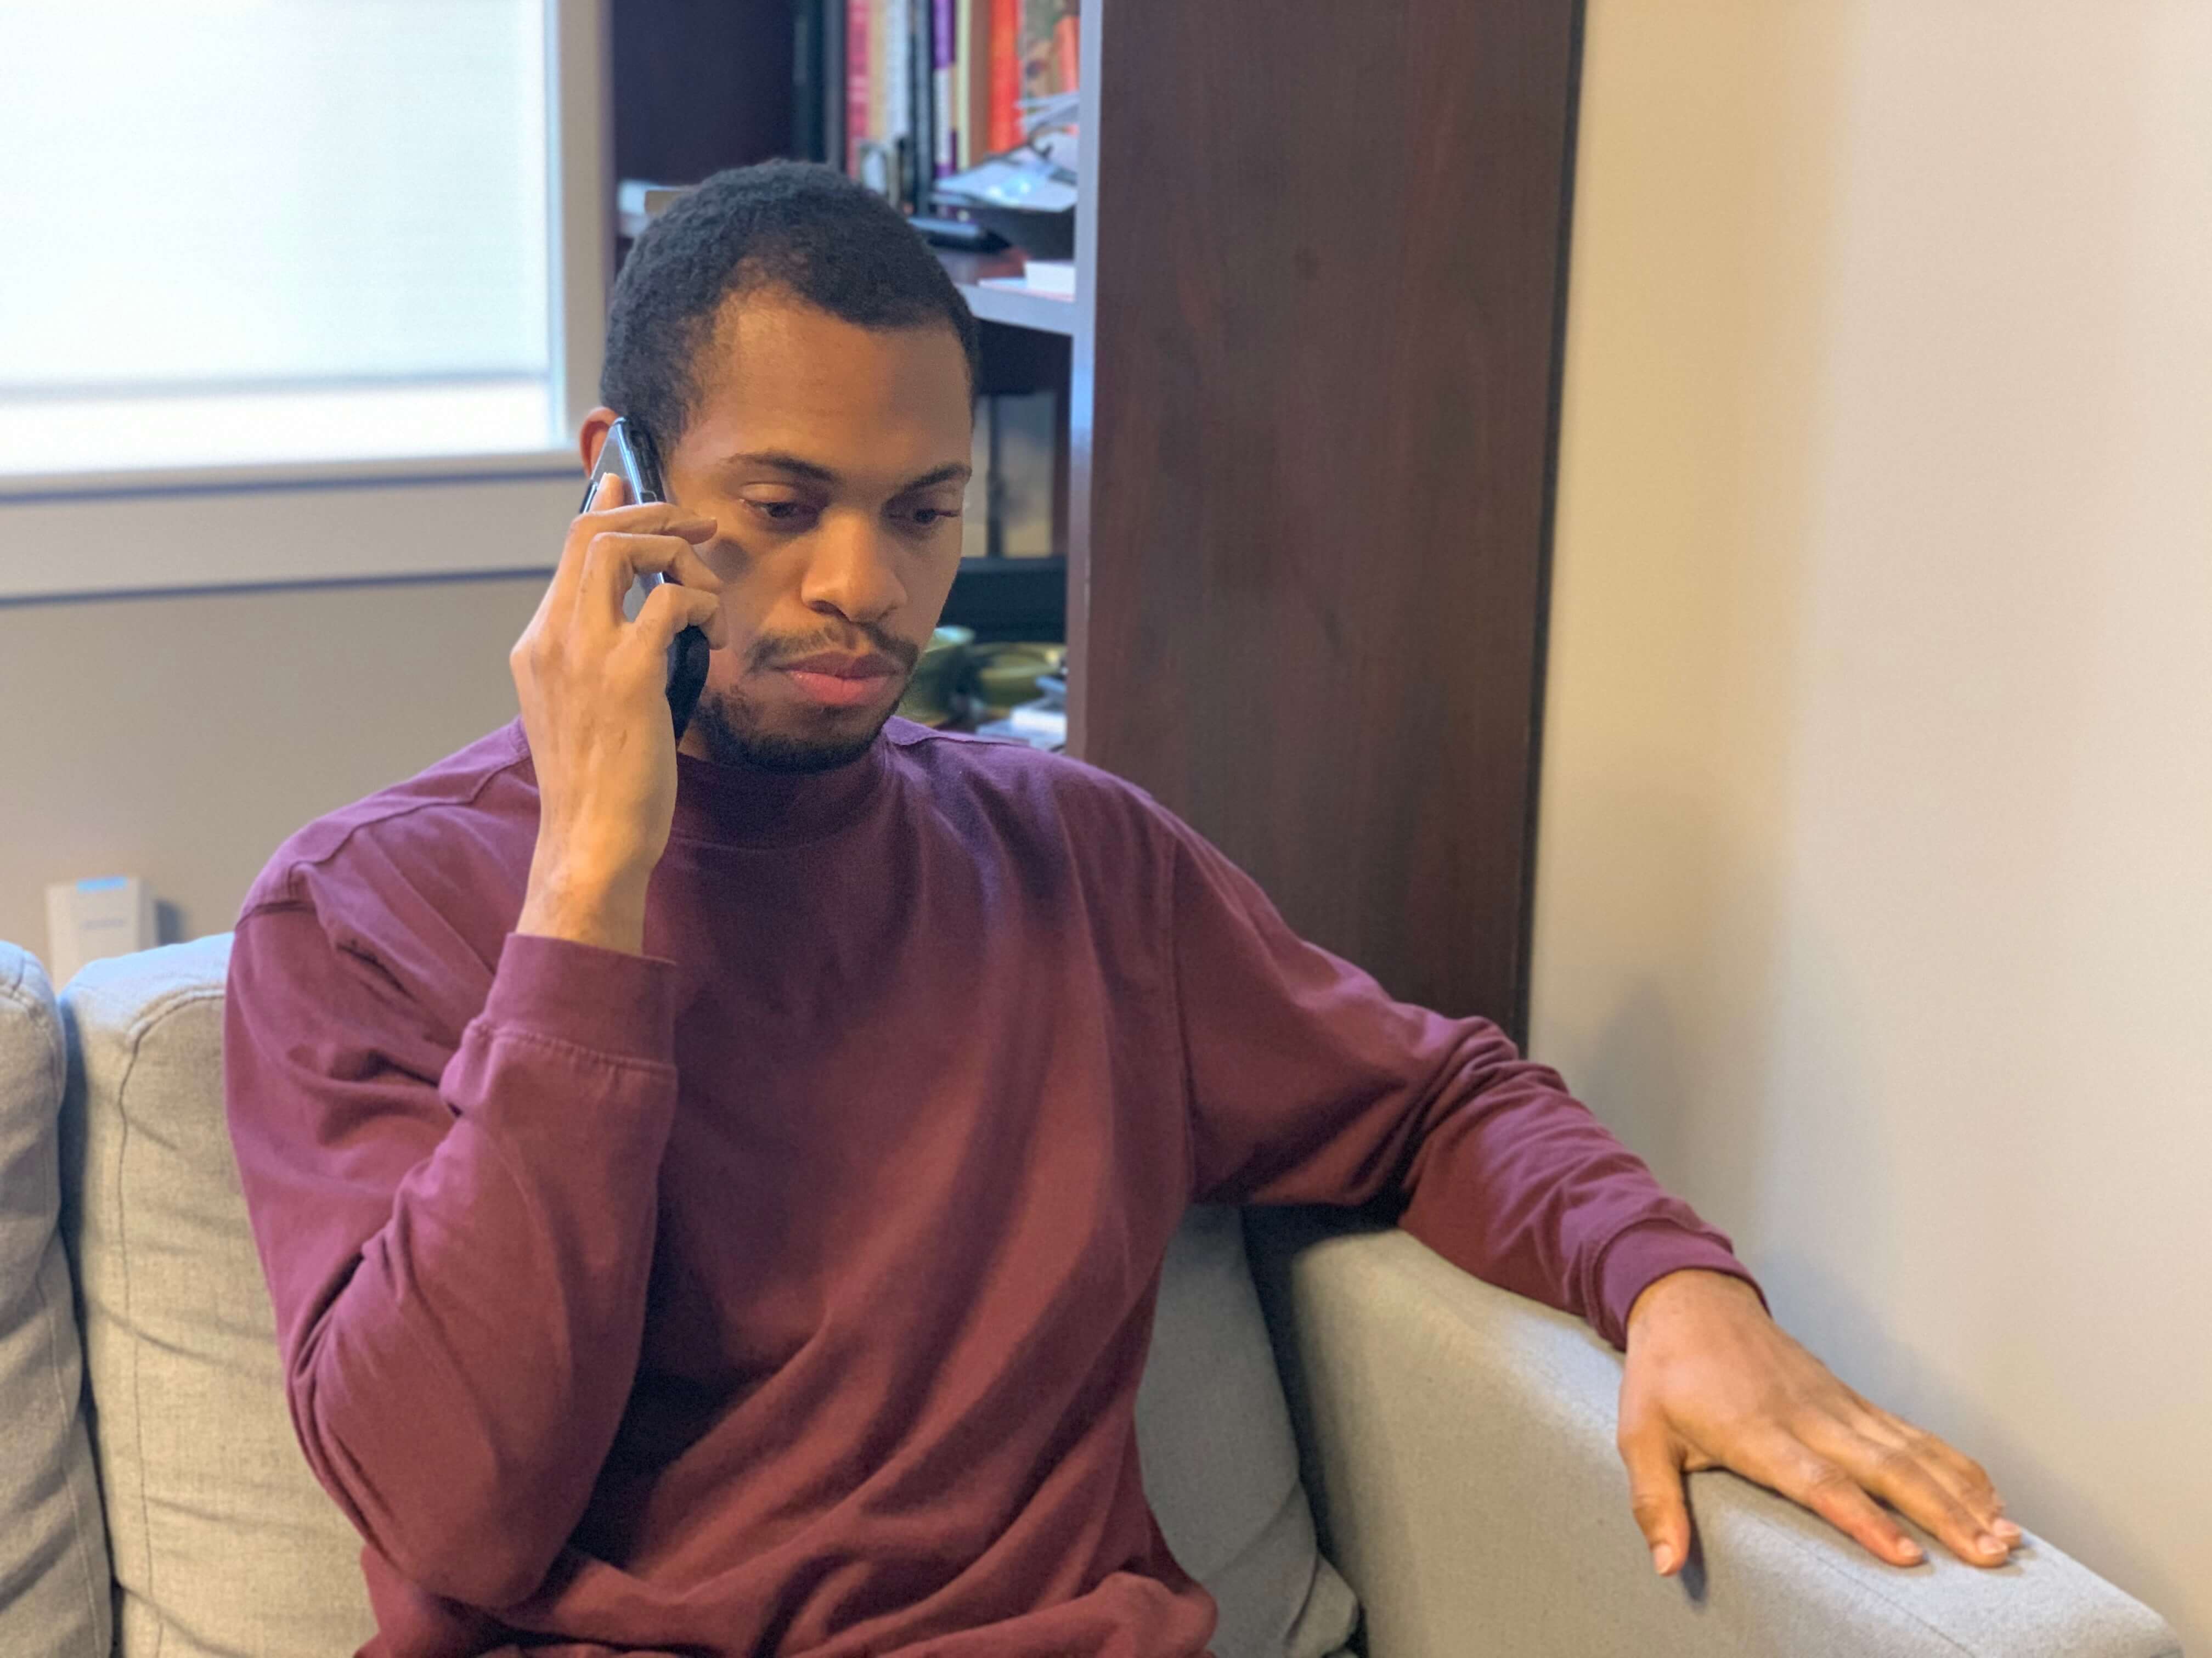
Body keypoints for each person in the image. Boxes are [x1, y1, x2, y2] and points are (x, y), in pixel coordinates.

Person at [223, 161, 2018, 1658]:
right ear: (616, 478)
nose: (866, 588)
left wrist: (1674, 1282)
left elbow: (1435, 1098)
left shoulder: (1076, 865)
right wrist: (587, 896)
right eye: (781, 507)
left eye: (922, 511)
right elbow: (458, 1508)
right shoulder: (365, 914)